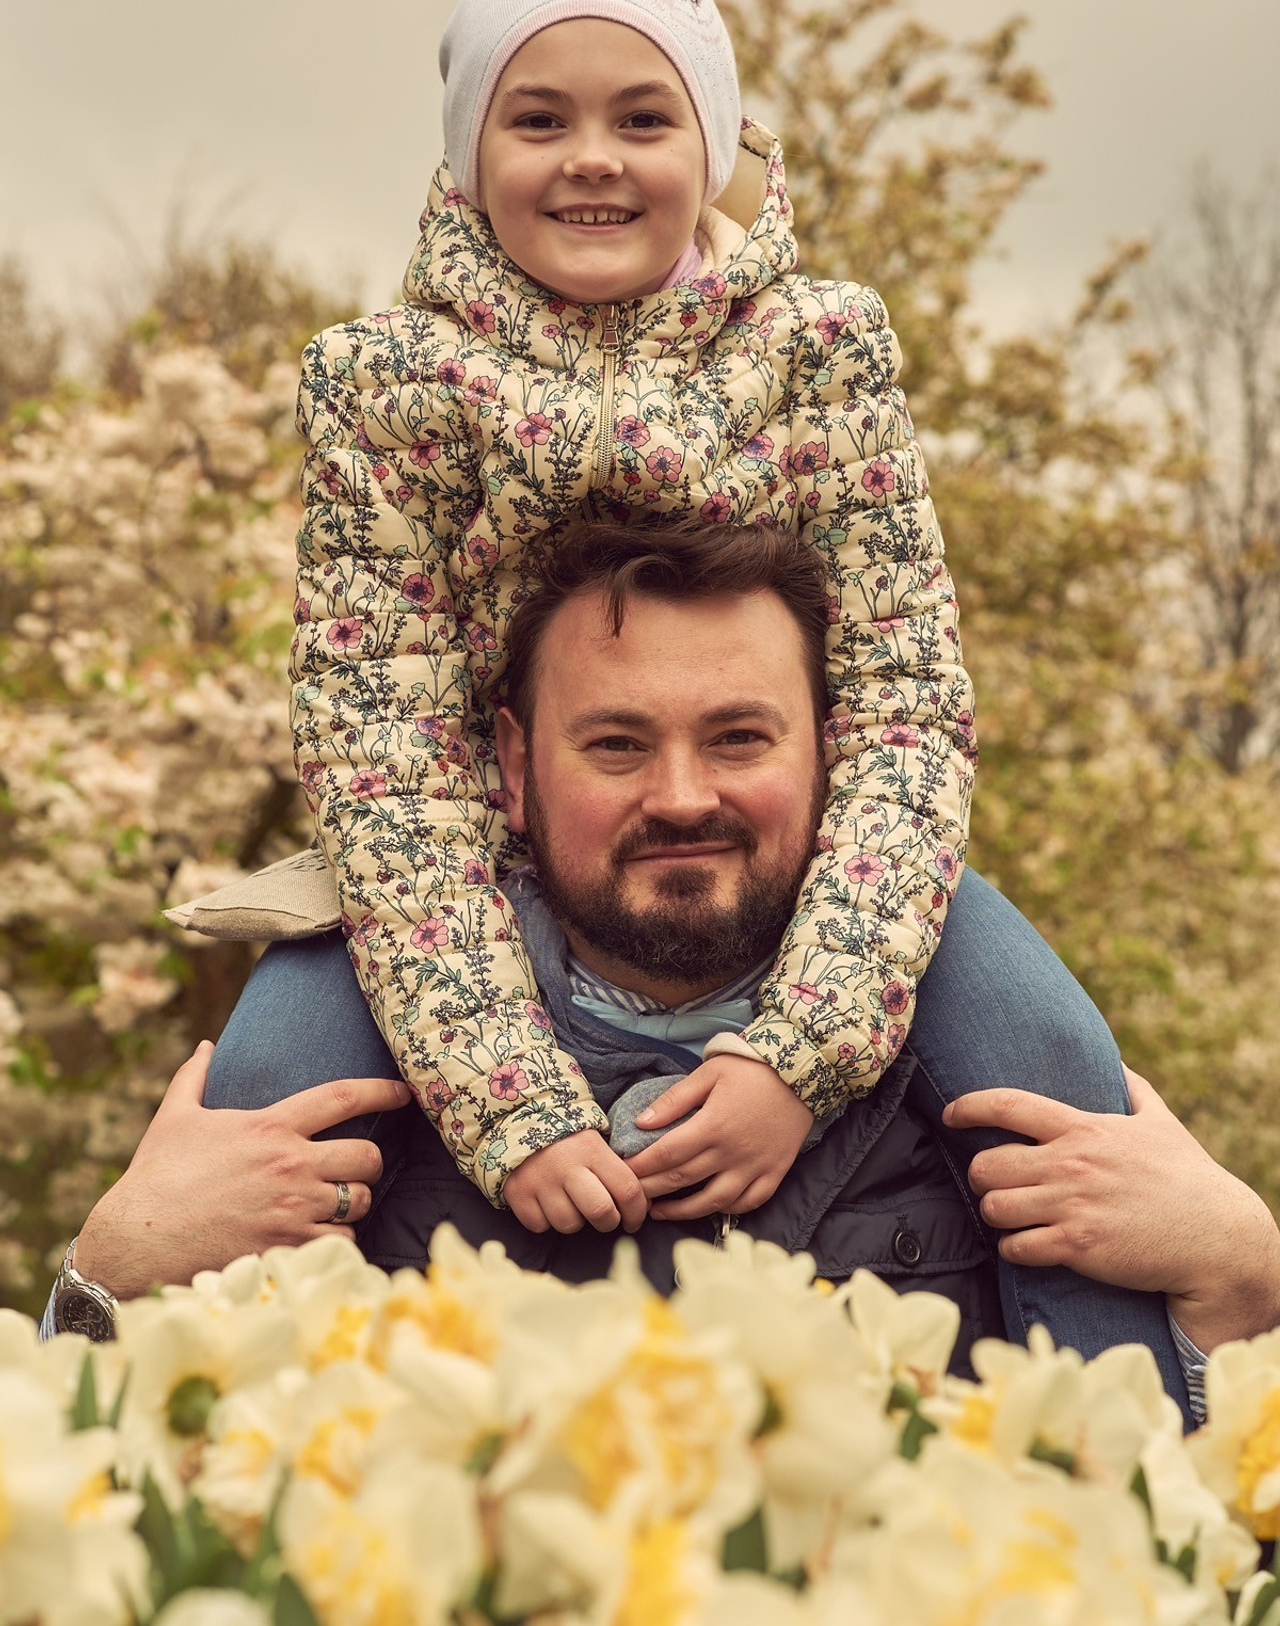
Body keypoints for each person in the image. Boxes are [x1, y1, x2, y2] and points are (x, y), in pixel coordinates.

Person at [51, 524, 1280, 1432]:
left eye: (738, 736)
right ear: (515, 768)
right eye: (617, 744)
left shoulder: (991, 1071)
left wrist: (1241, 1288)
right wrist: (105, 1284)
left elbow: (1191, 1567)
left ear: (835, 752)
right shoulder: (341, 1092)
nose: (682, 795)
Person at [284, 0, 977, 1232]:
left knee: (1054, 1076)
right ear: (470, 157)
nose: (592, 157)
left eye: (644, 118)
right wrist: (505, 1095)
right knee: (265, 1079)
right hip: (469, 868)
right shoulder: (386, 384)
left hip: (816, 866)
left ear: (710, 148)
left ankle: (1141, 1412)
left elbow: (903, 703)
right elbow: (383, 738)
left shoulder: (817, 349)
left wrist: (804, 1046)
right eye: (537, 118)